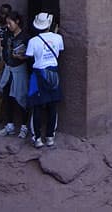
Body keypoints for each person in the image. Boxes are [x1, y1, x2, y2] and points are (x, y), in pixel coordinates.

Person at [25, 12, 64, 148]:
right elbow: (60, 51)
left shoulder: (33, 41)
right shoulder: (58, 38)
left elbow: (30, 56)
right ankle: (50, 137)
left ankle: (37, 138)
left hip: (38, 74)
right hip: (53, 73)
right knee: (53, 106)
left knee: (36, 107)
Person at [0, 11, 31, 139]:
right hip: (8, 69)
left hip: (20, 70)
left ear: (17, 22)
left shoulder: (26, 37)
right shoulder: (7, 35)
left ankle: (24, 127)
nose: (8, 26)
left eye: (10, 23)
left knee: (21, 98)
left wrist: (22, 57)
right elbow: (2, 52)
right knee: (7, 97)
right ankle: (9, 125)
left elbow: (30, 56)